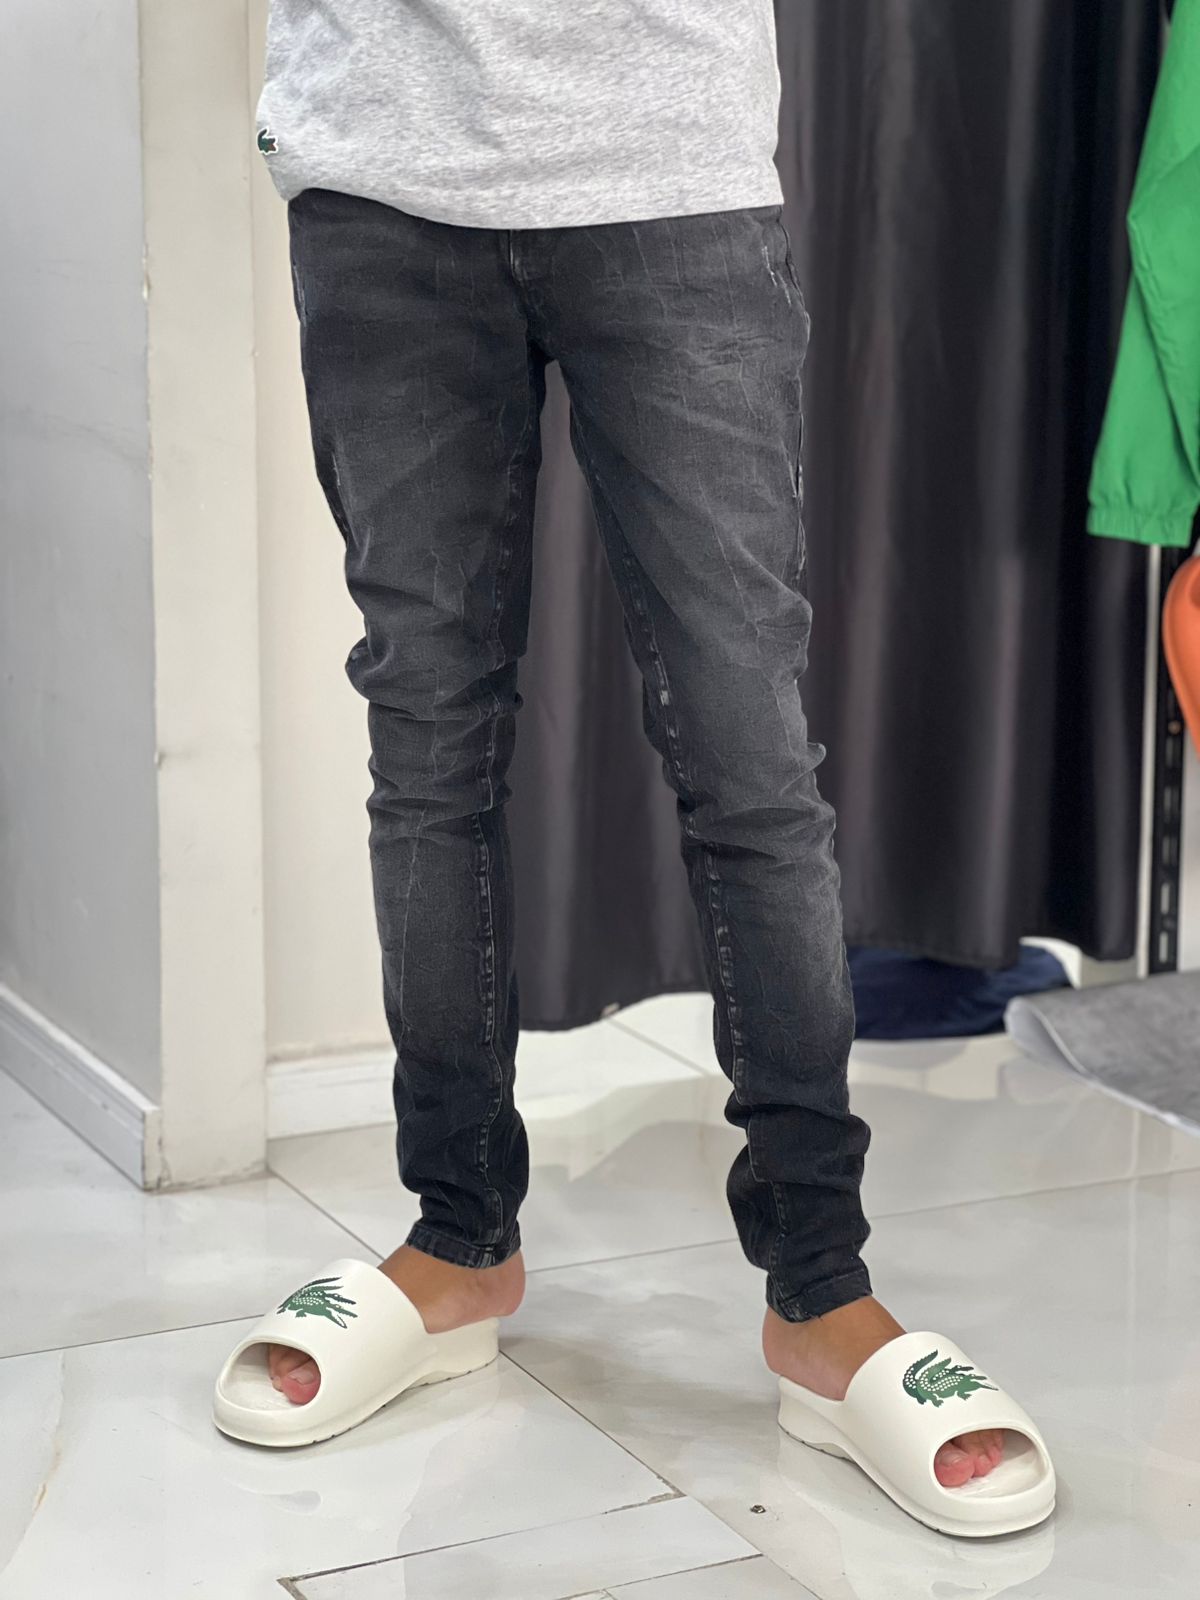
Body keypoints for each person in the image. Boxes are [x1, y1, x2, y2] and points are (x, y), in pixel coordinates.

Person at [215, 1, 1054, 1534]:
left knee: (748, 755)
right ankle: (458, 1240)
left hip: (665, 164)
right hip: (381, 171)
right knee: (428, 743)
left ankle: (821, 1290)